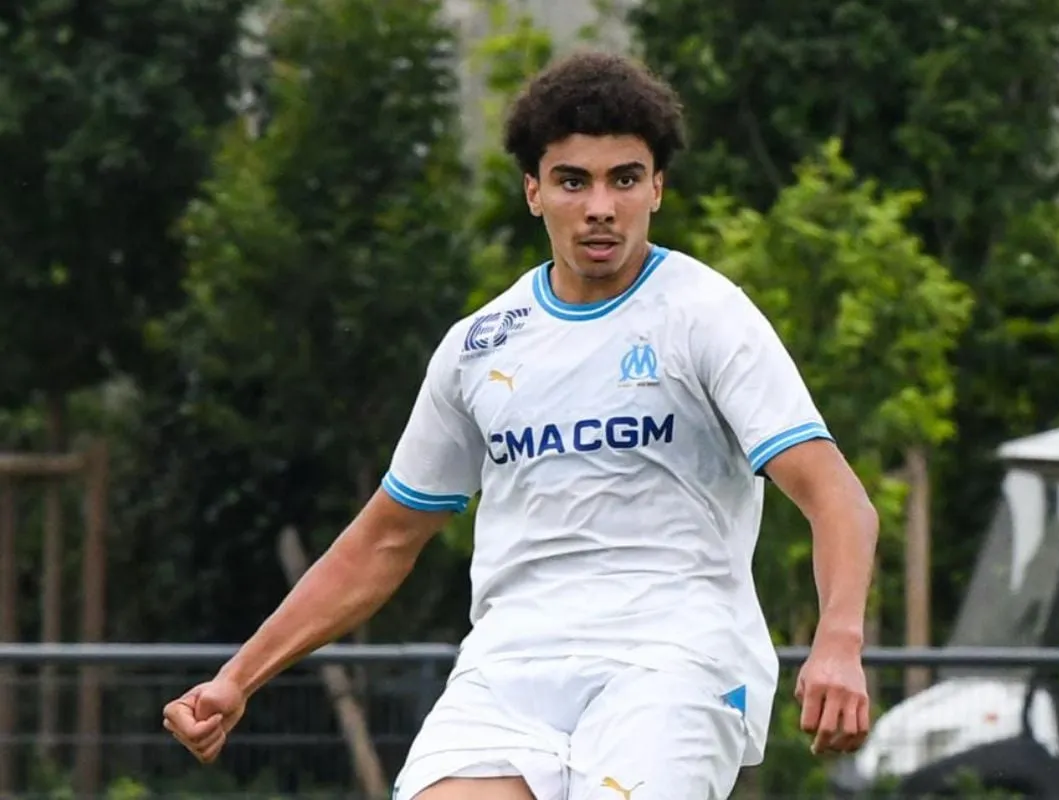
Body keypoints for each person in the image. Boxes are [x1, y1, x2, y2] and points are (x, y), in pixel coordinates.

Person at [163, 50, 879, 800]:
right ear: (533, 191)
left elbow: (837, 498)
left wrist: (838, 640)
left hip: (673, 662)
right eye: (573, 181)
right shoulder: (480, 347)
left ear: (657, 188)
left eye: (624, 179)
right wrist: (238, 677)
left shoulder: (706, 316)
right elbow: (384, 537)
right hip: (509, 670)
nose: (600, 206)